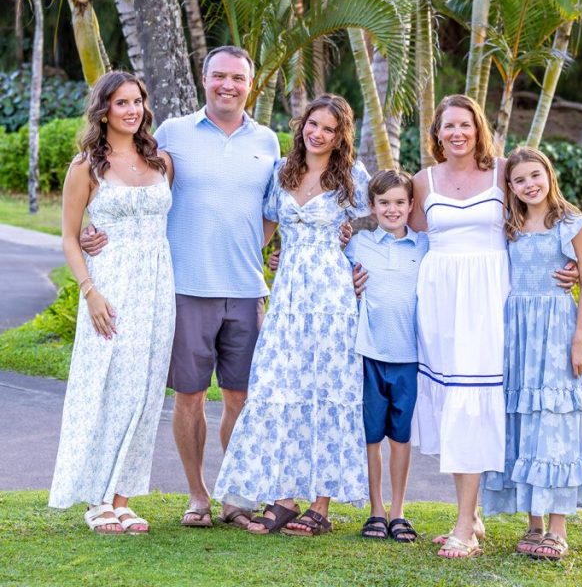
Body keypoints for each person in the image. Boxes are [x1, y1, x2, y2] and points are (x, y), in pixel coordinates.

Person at [81, 46, 281, 529]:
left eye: (237, 77)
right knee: (189, 397)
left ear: (249, 84)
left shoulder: (269, 141)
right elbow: (128, 187)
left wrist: (255, 247)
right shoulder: (172, 134)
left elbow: (272, 213)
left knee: (240, 397)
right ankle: (198, 496)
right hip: (185, 288)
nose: (227, 85)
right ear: (204, 79)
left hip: (246, 289)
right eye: (219, 76)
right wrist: (96, 231)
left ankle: (237, 495)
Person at [410, 94, 578, 560]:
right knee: (452, 402)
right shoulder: (423, 181)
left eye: (465, 124)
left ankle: (465, 524)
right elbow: (398, 231)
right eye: (448, 127)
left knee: (477, 400)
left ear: (478, 127)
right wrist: (352, 252)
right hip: (440, 300)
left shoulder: (503, 171)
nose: (457, 133)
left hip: (490, 299)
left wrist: (574, 266)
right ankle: (474, 513)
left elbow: (547, 211)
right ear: (437, 133)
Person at [213, 94, 370, 536]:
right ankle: (283, 497)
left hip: (332, 297)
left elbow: (384, 223)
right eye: (313, 125)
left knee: (326, 388)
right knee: (280, 386)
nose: (318, 134)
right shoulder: (283, 172)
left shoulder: (353, 177)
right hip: (288, 299)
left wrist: (360, 265)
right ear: (302, 126)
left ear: (341, 137)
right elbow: (263, 227)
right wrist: (259, 261)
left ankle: (320, 505)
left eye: (329, 129)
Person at [49, 72, 175, 534]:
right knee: (106, 389)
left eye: (137, 101)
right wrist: (90, 291)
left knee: (144, 393)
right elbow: (68, 236)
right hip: (111, 289)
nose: (132, 110)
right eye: (122, 102)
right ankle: (95, 498)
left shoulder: (160, 161)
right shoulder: (87, 167)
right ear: (104, 109)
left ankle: (122, 497)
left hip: (159, 289)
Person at [481, 146, 582, 562]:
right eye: (519, 180)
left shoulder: (570, 224)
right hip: (516, 334)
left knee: (554, 424)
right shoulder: (510, 225)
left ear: (549, 175)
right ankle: (532, 522)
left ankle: (556, 527)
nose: (529, 185)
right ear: (510, 187)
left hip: (555, 332)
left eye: (535, 175)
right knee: (523, 423)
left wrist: (579, 340)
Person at [345, 169, 428, 543]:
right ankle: (376, 509)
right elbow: (330, 273)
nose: (392, 210)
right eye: (383, 203)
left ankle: (399, 511)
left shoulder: (425, 246)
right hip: (369, 353)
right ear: (372, 206)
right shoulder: (359, 244)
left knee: (401, 436)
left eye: (399, 202)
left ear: (411, 205)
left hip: (409, 356)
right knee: (371, 435)